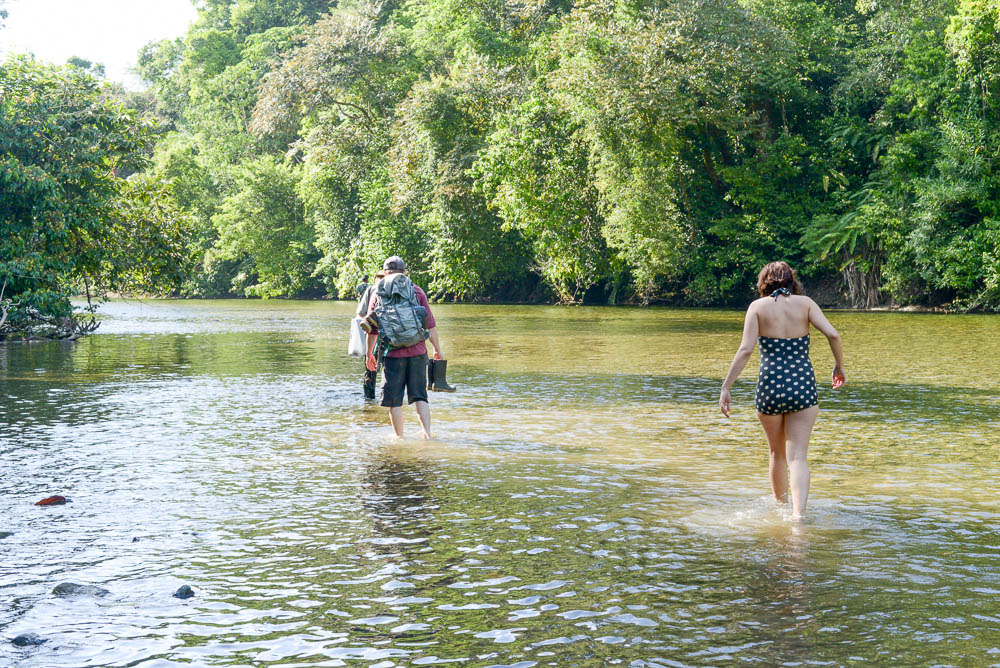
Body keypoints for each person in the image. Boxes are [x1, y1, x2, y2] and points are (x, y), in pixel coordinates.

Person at [719, 261, 845, 519]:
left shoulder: (757, 307)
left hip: (770, 386)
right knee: (798, 456)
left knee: (777, 454)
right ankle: (798, 517)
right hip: (802, 385)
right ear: (791, 280)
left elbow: (745, 350)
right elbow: (833, 335)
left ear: (764, 282)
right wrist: (838, 366)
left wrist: (726, 387)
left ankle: (779, 511)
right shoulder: (806, 303)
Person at [365, 256, 444, 439]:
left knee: (394, 401)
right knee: (420, 397)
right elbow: (430, 325)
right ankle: (427, 434)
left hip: (392, 353)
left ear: (385, 272)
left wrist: (369, 354)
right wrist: (437, 349)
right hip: (417, 352)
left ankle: (400, 439)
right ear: (404, 272)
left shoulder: (378, 292)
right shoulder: (416, 291)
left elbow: (371, 328)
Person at [357, 270, 385, 400]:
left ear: (375, 279)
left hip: (373, 336)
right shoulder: (398, 288)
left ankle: (369, 400)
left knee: (370, 367)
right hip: (391, 338)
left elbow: (361, 312)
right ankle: (387, 400)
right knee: (388, 369)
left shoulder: (371, 290)